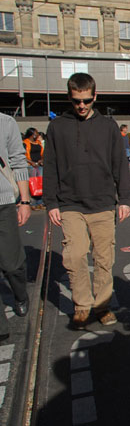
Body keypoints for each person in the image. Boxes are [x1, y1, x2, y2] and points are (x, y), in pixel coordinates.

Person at [43, 72, 130, 329]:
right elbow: (49, 167)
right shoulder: (57, 126)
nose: (81, 106)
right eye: (75, 101)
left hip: (103, 203)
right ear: (69, 98)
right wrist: (51, 203)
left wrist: (124, 199)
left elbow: (120, 164)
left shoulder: (108, 126)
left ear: (95, 96)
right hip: (70, 203)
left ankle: (102, 305)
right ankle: (82, 305)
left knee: (104, 259)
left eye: (86, 101)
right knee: (74, 257)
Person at [0, 114, 32, 342]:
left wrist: (25, 200)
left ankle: (20, 294)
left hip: (3, 203)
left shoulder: (5, 123)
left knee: (11, 264)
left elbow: (18, 162)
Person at [23, 127, 44, 210]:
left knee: (39, 184)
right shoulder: (25, 143)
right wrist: (31, 162)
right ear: (32, 134)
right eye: (36, 133)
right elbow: (23, 155)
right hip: (31, 165)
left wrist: (41, 160)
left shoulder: (38, 143)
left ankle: (40, 202)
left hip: (39, 165)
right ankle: (33, 203)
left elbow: (42, 153)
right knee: (32, 184)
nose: (37, 135)